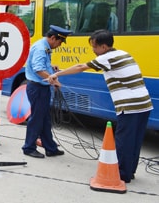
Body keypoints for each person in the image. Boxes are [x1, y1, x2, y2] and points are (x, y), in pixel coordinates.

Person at [48, 29, 153, 183]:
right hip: (144, 104)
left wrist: (57, 74)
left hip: (130, 105)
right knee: (135, 140)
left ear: (104, 47)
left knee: (123, 140)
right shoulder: (123, 53)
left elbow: (80, 67)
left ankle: (122, 174)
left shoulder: (107, 57)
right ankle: (129, 172)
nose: (93, 50)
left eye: (94, 47)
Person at [22, 25, 72, 159]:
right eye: (60, 42)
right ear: (53, 38)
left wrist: (51, 67)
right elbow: (38, 69)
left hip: (41, 88)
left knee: (45, 119)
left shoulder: (45, 47)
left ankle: (50, 148)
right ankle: (28, 147)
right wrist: (53, 80)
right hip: (37, 88)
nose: (59, 45)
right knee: (37, 119)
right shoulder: (40, 48)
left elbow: (42, 65)